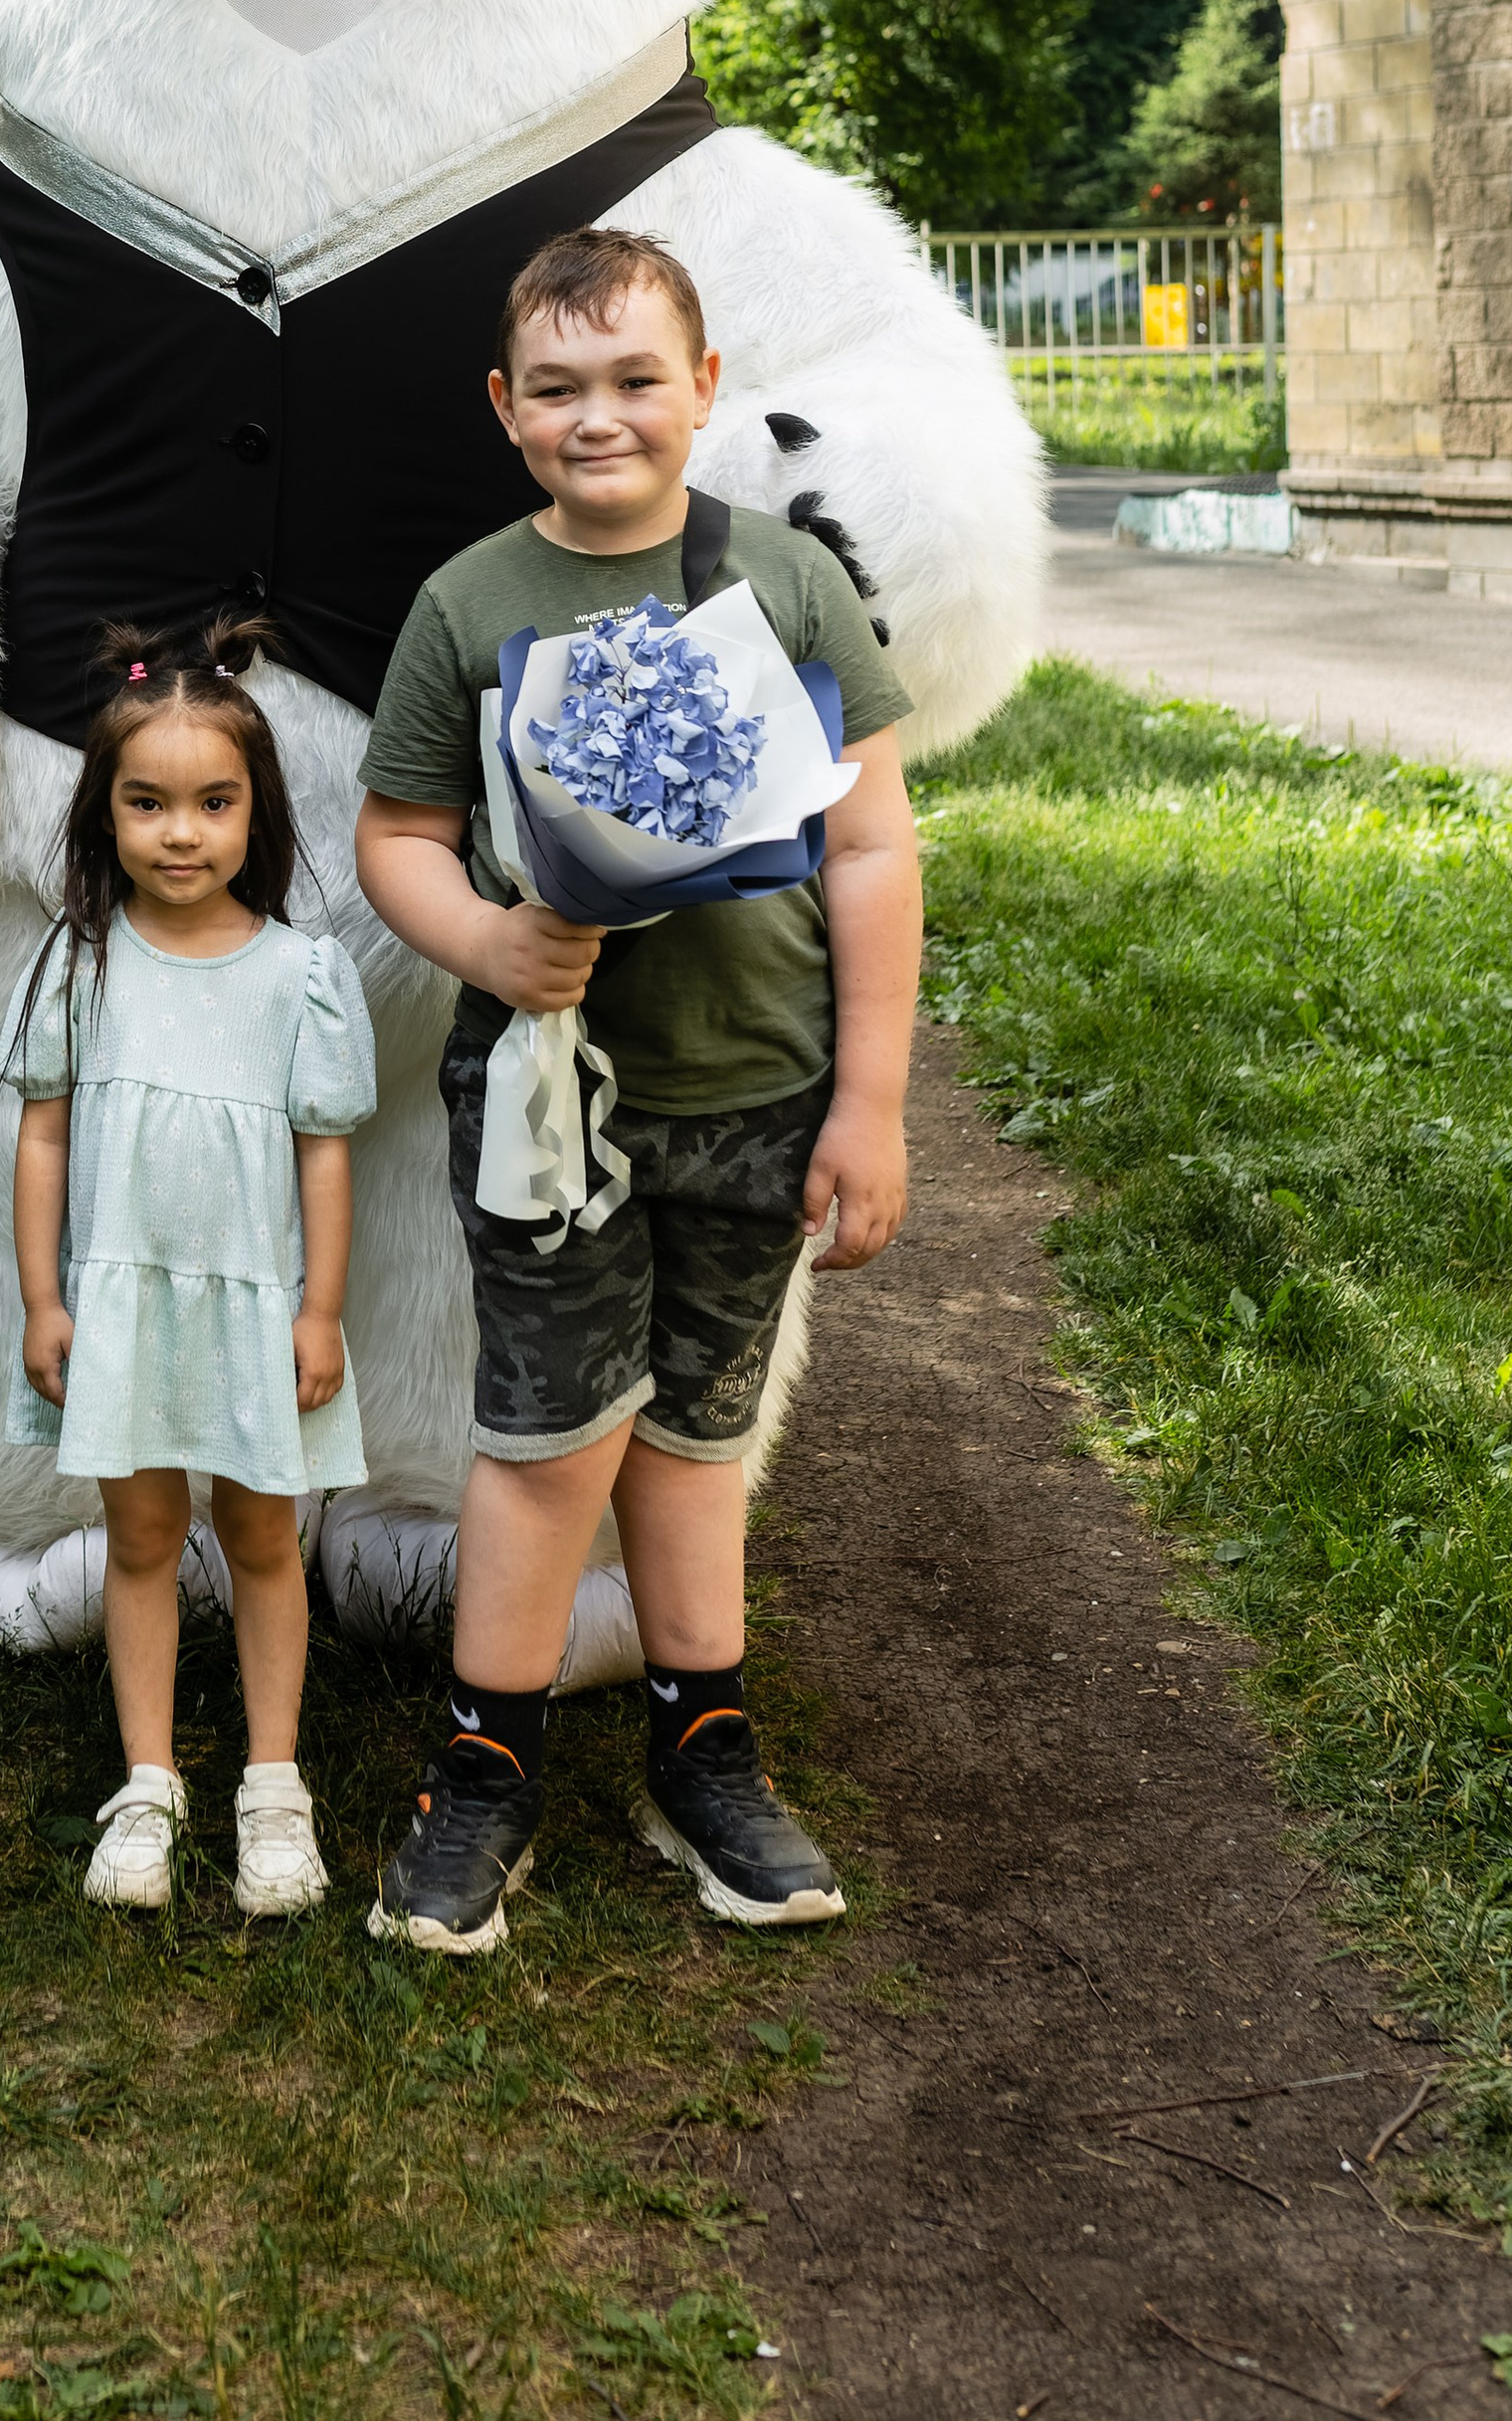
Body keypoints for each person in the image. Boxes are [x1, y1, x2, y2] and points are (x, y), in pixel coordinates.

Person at [354, 225, 921, 1953]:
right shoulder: (470, 603)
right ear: (505, 406)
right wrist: (489, 939)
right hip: (554, 1106)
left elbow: (871, 846)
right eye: (557, 389)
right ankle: (487, 1764)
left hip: (761, 1089)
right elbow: (399, 833)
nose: (597, 416)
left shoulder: (789, 584)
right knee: (546, 1438)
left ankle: (704, 1749)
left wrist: (871, 1100)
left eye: (634, 380)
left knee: (696, 1432)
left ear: (704, 389)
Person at [6, 618, 375, 1916]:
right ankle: (149, 1783)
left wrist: (320, 1310)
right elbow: (43, 1137)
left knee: (265, 1535)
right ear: (103, 812)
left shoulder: (301, 976)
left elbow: (325, 1155)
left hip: (255, 1312)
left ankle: (274, 1785)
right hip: (122, 1304)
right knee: (144, 1535)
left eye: (214, 803)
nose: (180, 834)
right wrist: (44, 1298)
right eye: (147, 803)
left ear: (256, 810)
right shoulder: (81, 964)